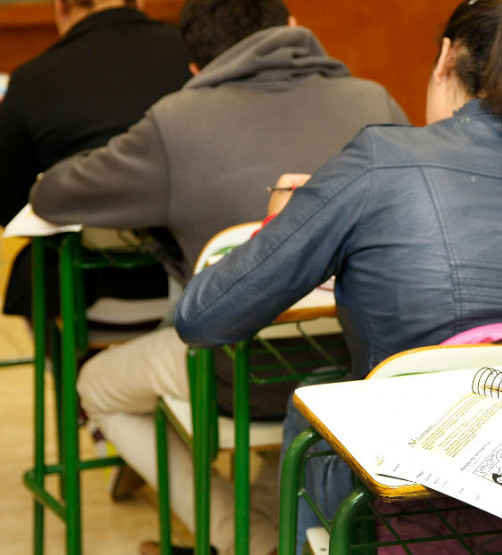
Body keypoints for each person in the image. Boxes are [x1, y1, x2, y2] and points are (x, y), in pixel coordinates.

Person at [174, 0, 502, 550]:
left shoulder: (379, 160)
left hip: (401, 500)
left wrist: (293, 221)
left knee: (309, 399)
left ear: (447, 56)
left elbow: (203, 317)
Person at [29, 0, 408, 552]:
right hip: (358, 364)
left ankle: (243, 540)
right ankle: (278, 528)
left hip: (238, 372)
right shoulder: (373, 100)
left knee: (98, 386)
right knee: (296, 374)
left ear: (196, 67)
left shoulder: (176, 121)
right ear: (294, 27)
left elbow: (54, 196)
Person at [0, 0, 191, 319]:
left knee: (32, 269)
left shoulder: (31, 80)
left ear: (60, 7)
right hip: (203, 278)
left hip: (89, 294)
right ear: (139, 2)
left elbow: (10, 204)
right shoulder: (192, 54)